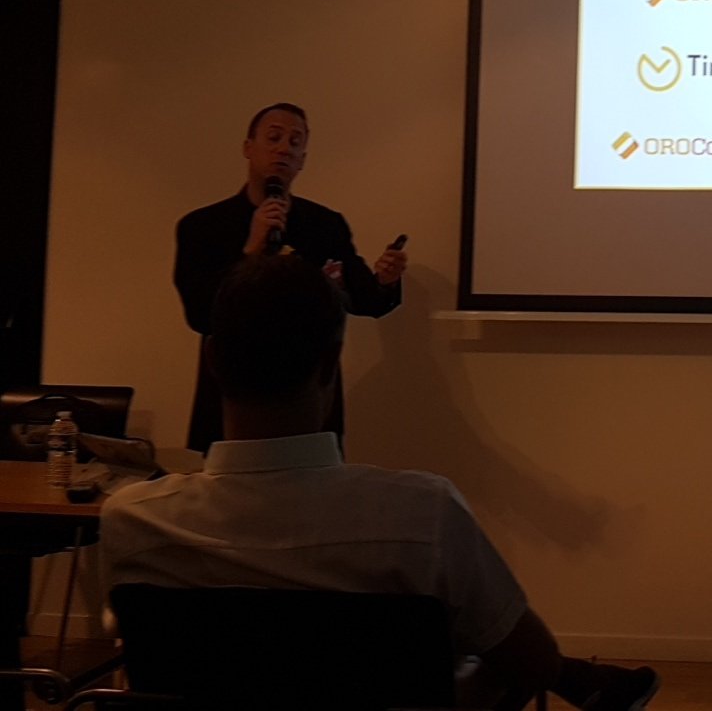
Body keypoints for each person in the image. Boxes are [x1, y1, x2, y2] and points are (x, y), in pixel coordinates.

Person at [102, 255, 660, 711]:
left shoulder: (134, 523)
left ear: (212, 361)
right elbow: (534, 661)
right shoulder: (422, 515)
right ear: (331, 364)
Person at [174, 102, 407, 453]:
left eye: (295, 142)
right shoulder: (202, 227)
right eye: (274, 138)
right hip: (232, 397)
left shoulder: (324, 224)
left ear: (302, 159)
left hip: (309, 396)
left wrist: (386, 280)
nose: (284, 148)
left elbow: (364, 298)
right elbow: (199, 313)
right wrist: (250, 251)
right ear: (248, 147)